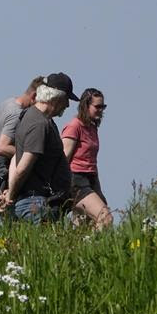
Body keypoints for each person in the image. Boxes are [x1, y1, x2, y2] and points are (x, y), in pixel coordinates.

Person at [0, 73, 77, 224]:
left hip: (33, 201)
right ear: (57, 98)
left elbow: (16, 157)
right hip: (36, 204)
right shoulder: (40, 124)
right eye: (67, 99)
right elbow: (23, 167)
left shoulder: (30, 116)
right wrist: (11, 197)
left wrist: (11, 192)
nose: (67, 105)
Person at [0, 76, 43, 207]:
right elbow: (2, 147)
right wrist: (29, 154)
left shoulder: (8, 102)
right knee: (7, 209)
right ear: (34, 95)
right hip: (1, 168)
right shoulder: (16, 114)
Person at [61, 88, 113, 229]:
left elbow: (91, 161)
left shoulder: (92, 127)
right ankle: (96, 248)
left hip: (90, 179)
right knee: (105, 218)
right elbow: (63, 158)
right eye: (97, 107)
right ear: (86, 105)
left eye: (103, 107)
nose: (101, 110)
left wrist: (98, 189)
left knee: (84, 227)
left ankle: (79, 249)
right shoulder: (74, 126)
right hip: (75, 179)